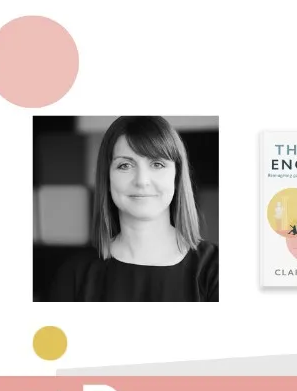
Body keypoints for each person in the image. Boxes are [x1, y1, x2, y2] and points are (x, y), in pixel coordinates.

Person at [49, 116, 218, 302]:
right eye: (125, 165)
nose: (142, 181)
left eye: (157, 164)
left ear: (177, 177)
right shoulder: (74, 274)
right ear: (107, 177)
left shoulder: (217, 269)